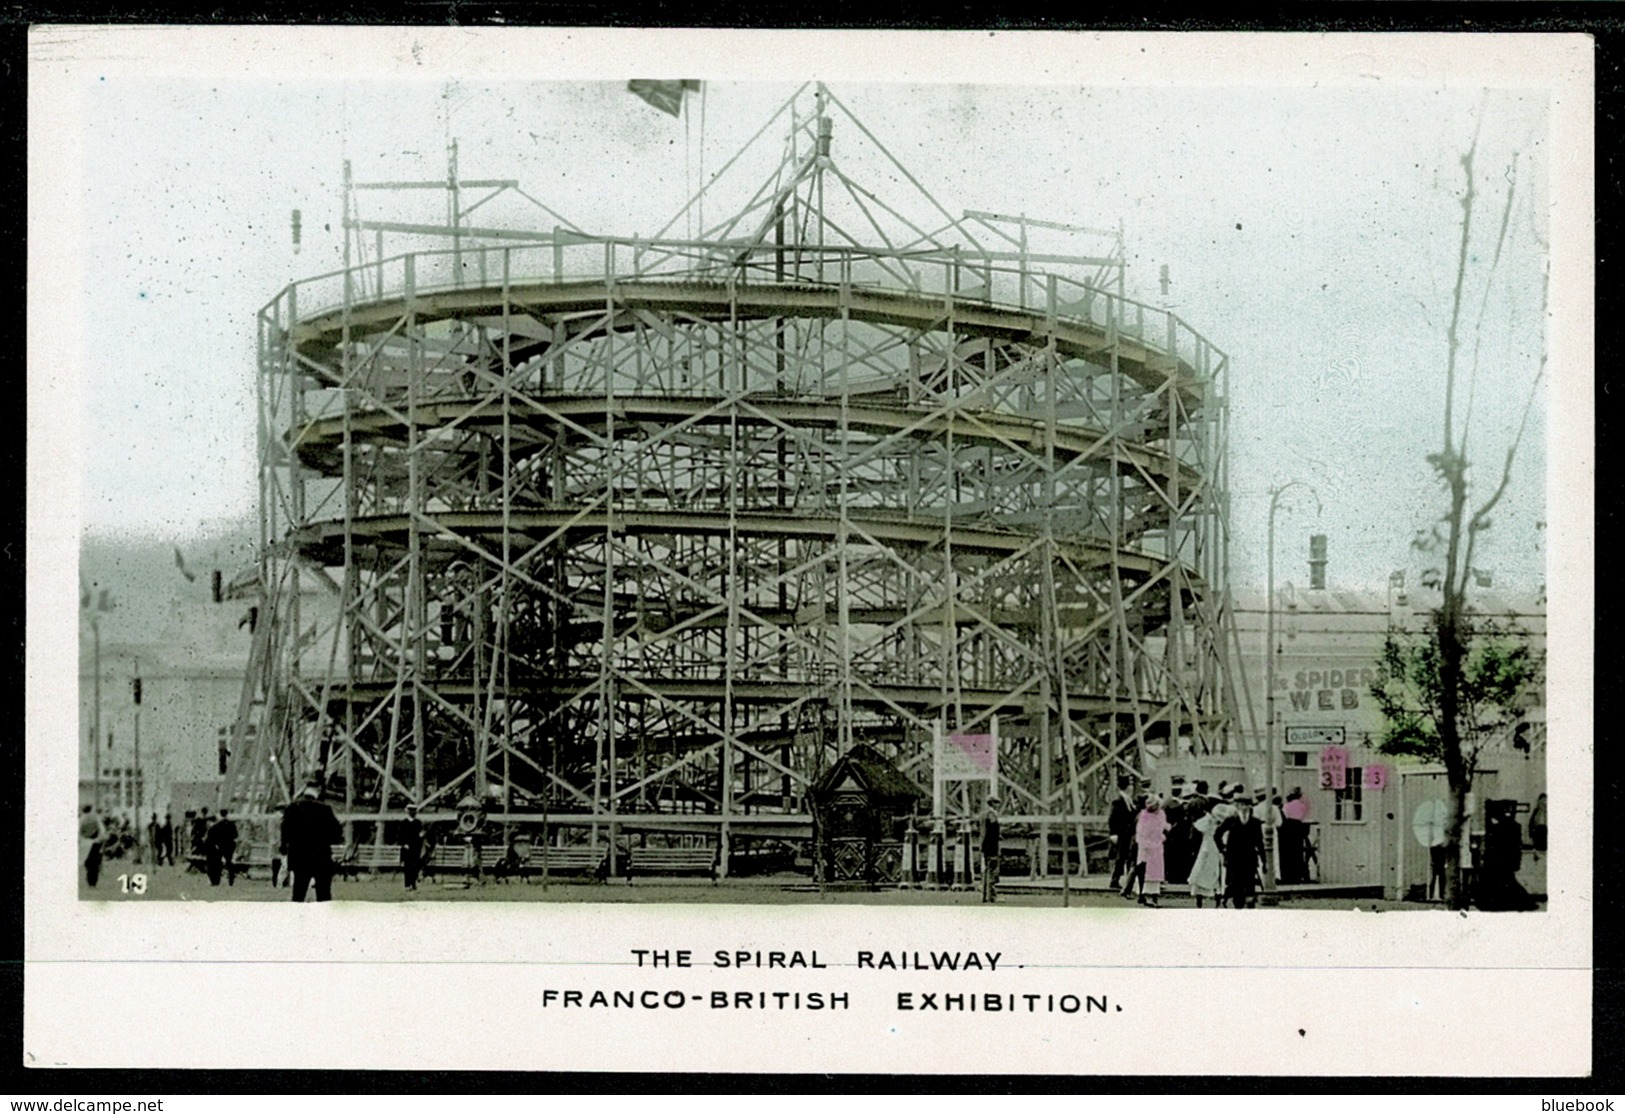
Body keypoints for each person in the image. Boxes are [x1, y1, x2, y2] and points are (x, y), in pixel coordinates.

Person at [281, 779, 343, 902]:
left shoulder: (292, 808)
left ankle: (296, 919)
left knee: (298, 892)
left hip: (299, 856)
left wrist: (284, 849)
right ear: (318, 791)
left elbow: (285, 831)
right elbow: (336, 833)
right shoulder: (324, 809)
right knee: (324, 894)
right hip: (320, 856)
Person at [1218, 795, 1267, 909]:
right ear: (1237, 806)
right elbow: (1217, 834)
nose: (1244, 807)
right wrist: (1223, 849)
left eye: (1246, 805)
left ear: (1250, 806)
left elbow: (1259, 842)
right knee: (1237, 884)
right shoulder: (1231, 820)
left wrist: (1264, 861)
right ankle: (1238, 906)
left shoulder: (1255, 822)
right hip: (1234, 858)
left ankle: (1250, 906)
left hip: (1250, 857)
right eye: (1241, 805)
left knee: (1250, 884)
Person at [1134, 794, 1171, 906]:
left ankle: (1153, 896)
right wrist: (1146, 844)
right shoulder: (1144, 816)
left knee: (1155, 872)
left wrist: (1167, 828)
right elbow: (1141, 832)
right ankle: (1144, 895)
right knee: (1145, 871)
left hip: (1156, 846)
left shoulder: (1160, 814)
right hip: (1147, 847)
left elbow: (1162, 826)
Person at [1187, 796, 1222, 907]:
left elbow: (1197, 829)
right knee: (1215, 870)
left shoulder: (1207, 819)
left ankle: (1200, 896)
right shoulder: (1217, 818)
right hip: (1214, 846)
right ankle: (1217, 896)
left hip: (1207, 845)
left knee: (1202, 868)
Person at [1108, 776, 1138, 895]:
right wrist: (1113, 833)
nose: (1131, 787)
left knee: (1127, 856)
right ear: (1126, 786)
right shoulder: (1118, 801)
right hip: (1122, 833)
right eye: (1130, 784)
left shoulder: (1128, 799)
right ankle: (1115, 880)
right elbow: (1113, 819)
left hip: (1128, 833)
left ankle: (1122, 880)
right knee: (1121, 856)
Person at [1280, 787, 1310, 884]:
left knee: (1288, 853)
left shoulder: (1287, 805)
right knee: (1298, 851)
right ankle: (1298, 876)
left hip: (1288, 827)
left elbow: (1284, 815)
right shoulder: (1303, 805)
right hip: (1299, 827)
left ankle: (1288, 876)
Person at [204, 808, 239, 887]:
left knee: (217, 863)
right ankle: (231, 879)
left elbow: (213, 836)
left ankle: (217, 880)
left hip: (220, 846)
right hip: (229, 845)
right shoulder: (231, 824)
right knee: (229, 862)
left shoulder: (217, 825)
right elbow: (235, 835)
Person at [979, 798, 1002, 904]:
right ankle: (991, 895)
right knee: (992, 870)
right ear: (993, 803)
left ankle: (984, 895)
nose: (998, 805)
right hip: (992, 846)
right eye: (997, 803)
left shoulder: (983, 814)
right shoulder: (992, 815)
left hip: (984, 845)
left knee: (986, 870)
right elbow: (993, 831)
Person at [79, 804, 105, 888]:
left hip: (85, 842)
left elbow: (79, 833)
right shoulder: (95, 817)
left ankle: (90, 881)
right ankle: (93, 882)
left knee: (88, 862)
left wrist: (81, 841)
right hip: (95, 842)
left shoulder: (81, 819)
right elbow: (102, 830)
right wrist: (98, 839)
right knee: (94, 862)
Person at [401, 804, 424, 892]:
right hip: (407, 848)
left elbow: (420, 835)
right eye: (411, 811)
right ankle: (407, 884)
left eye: (414, 811)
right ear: (408, 812)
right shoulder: (404, 823)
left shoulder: (418, 823)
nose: (412, 812)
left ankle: (413, 884)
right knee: (407, 867)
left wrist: (421, 837)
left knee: (415, 866)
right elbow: (401, 835)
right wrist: (404, 844)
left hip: (416, 848)